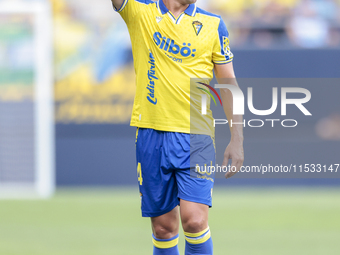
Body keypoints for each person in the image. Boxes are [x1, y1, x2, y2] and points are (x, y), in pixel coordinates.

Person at [110, 0, 244, 254]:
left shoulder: (213, 24)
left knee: (195, 221)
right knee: (163, 228)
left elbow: (228, 84)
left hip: (197, 136)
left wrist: (237, 139)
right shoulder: (140, 12)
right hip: (152, 131)